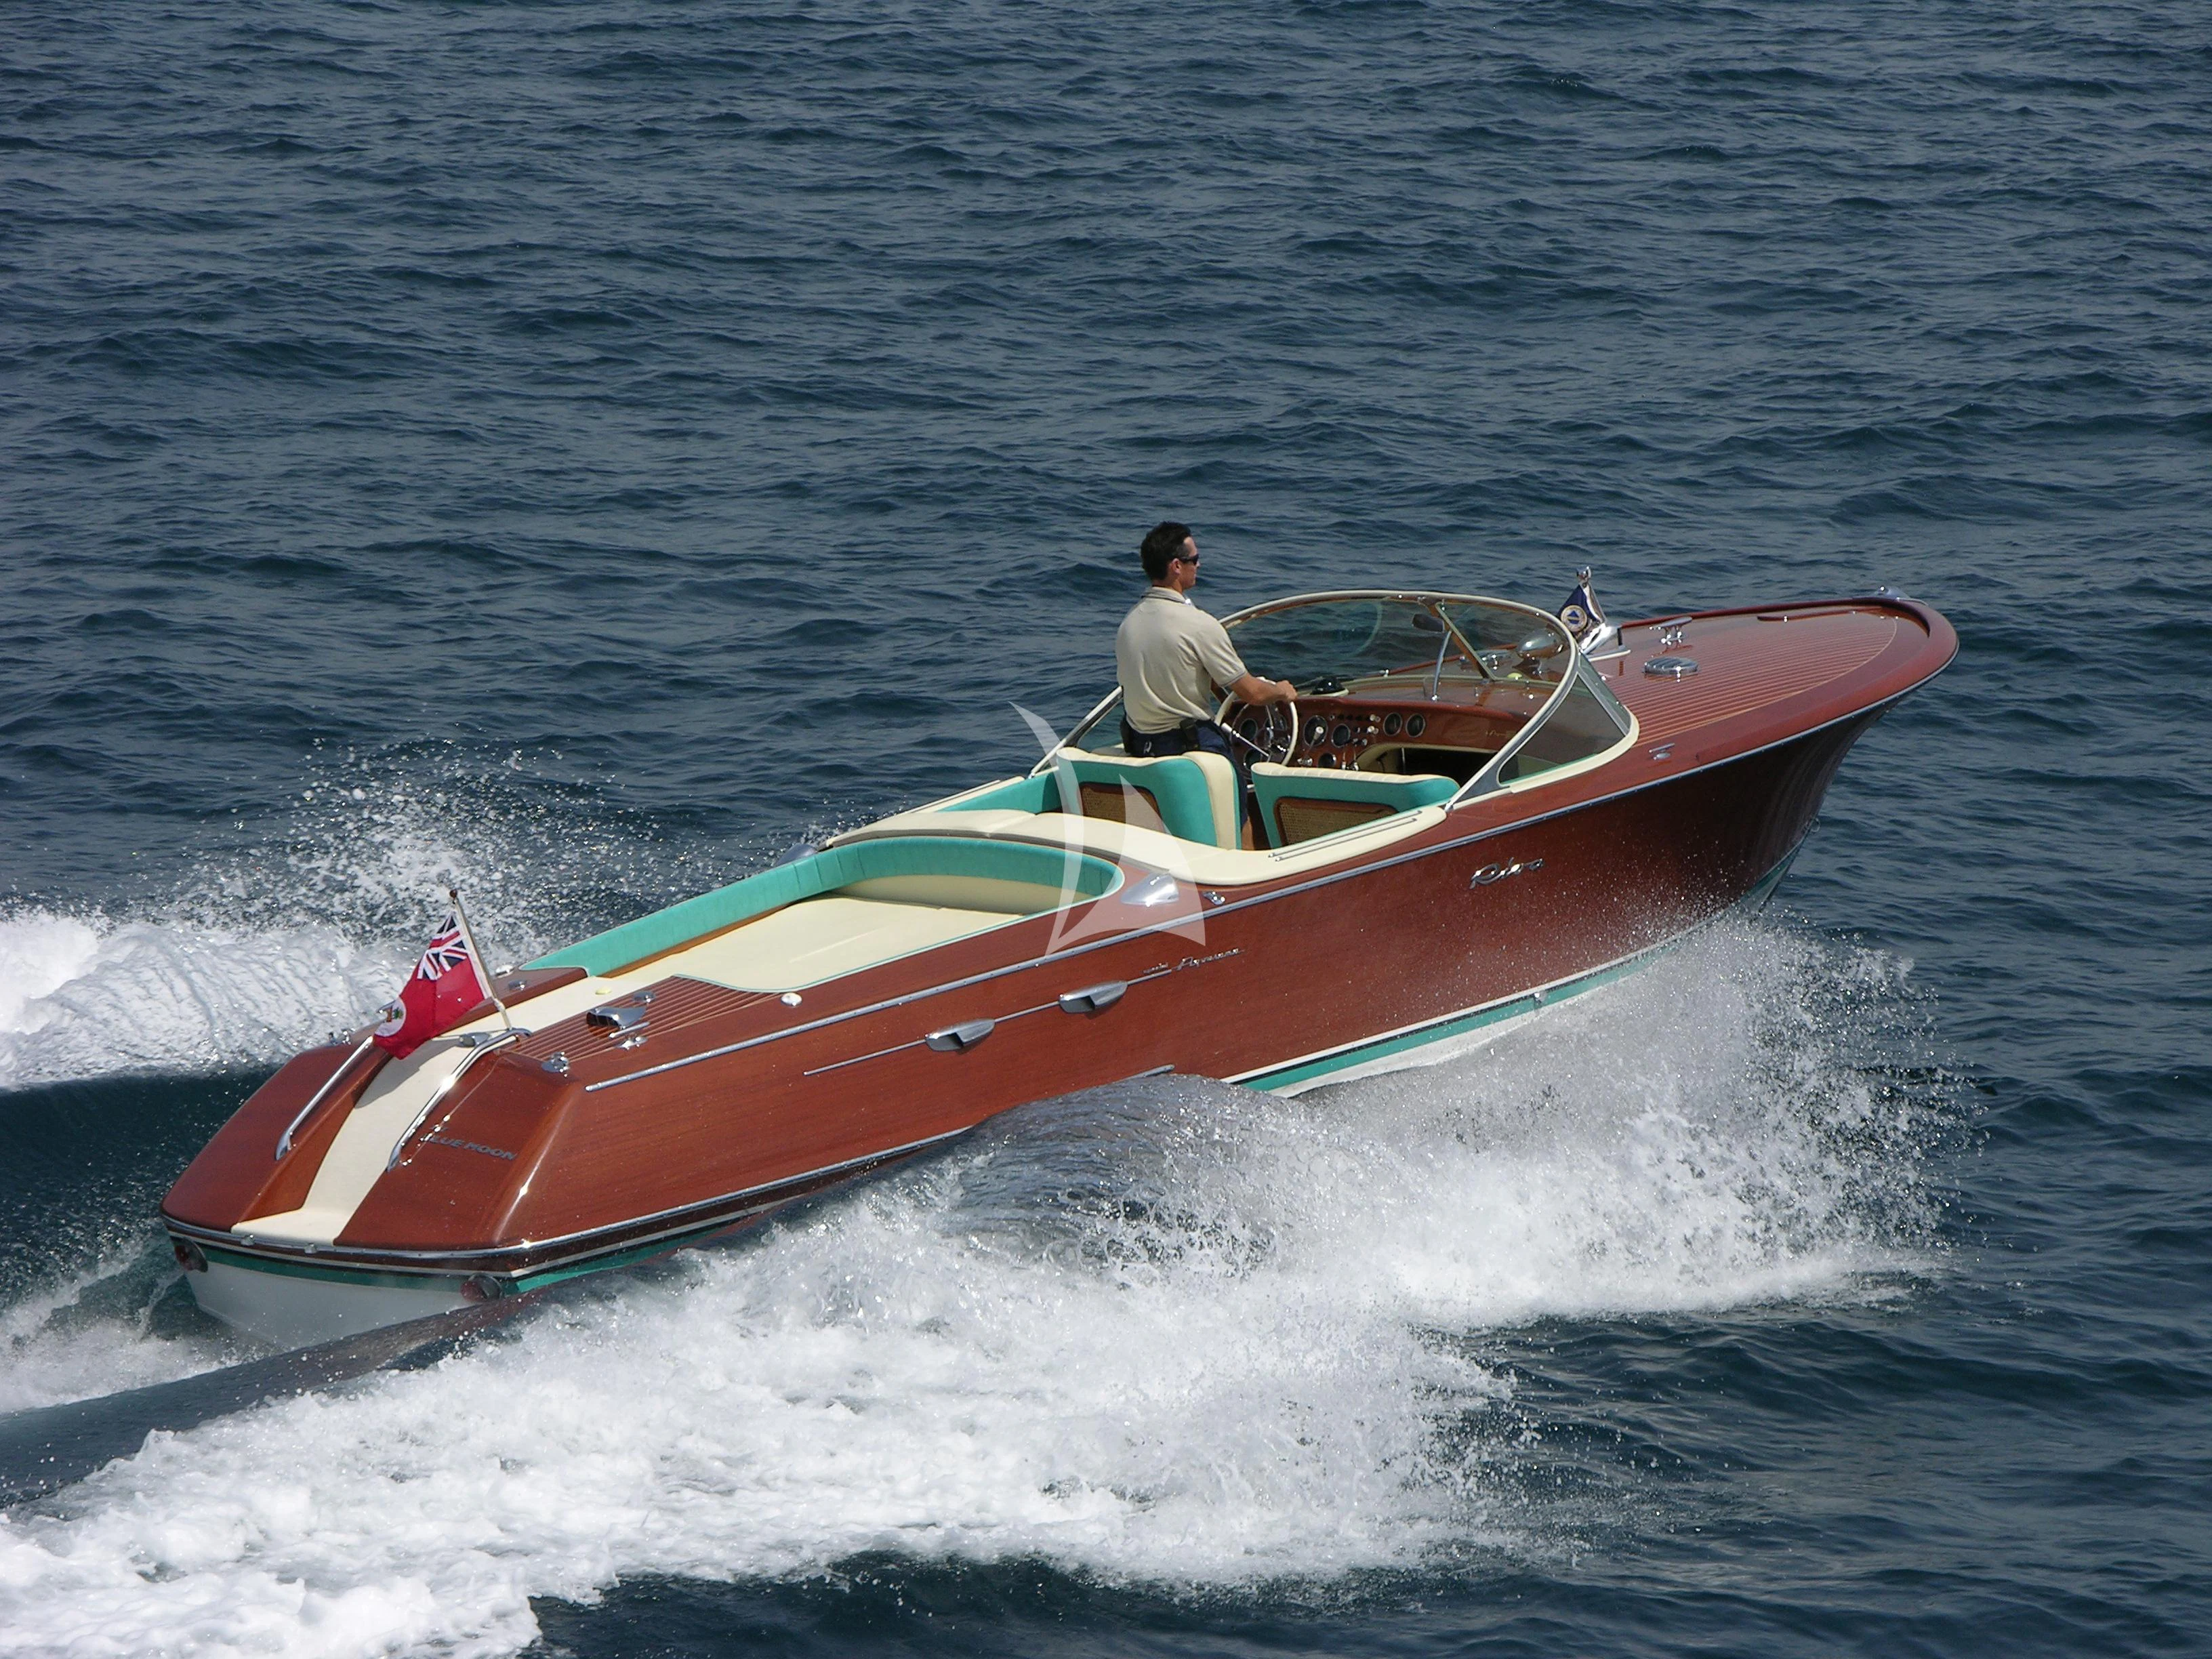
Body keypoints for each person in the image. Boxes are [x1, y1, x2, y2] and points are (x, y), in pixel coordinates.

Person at [1114, 523, 1294, 832]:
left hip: (1141, 742)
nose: (1199, 565)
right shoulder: (1199, 625)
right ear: (1176, 566)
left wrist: (1222, 696)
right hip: (1186, 745)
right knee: (1241, 809)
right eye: (1195, 560)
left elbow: (1182, 672)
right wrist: (1281, 691)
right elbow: (1252, 694)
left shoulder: (1129, 625)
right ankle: (1243, 863)